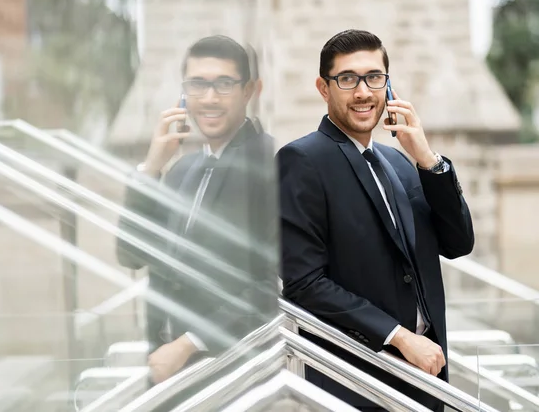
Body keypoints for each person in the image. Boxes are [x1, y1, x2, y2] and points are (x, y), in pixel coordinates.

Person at [277, 29, 474, 411]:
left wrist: (427, 158)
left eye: (374, 78)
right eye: (347, 79)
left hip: (425, 378)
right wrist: (398, 336)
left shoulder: (401, 161)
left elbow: (458, 243)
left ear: (388, 85)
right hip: (356, 379)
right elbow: (303, 282)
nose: (364, 92)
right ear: (324, 88)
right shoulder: (301, 160)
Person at [117, 35, 278, 386]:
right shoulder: (180, 170)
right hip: (170, 373)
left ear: (249, 91)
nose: (208, 98)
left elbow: (272, 284)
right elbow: (130, 254)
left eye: (223, 84)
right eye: (197, 85)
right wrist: (151, 169)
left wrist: (189, 344)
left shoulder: (271, 163)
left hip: (233, 374)